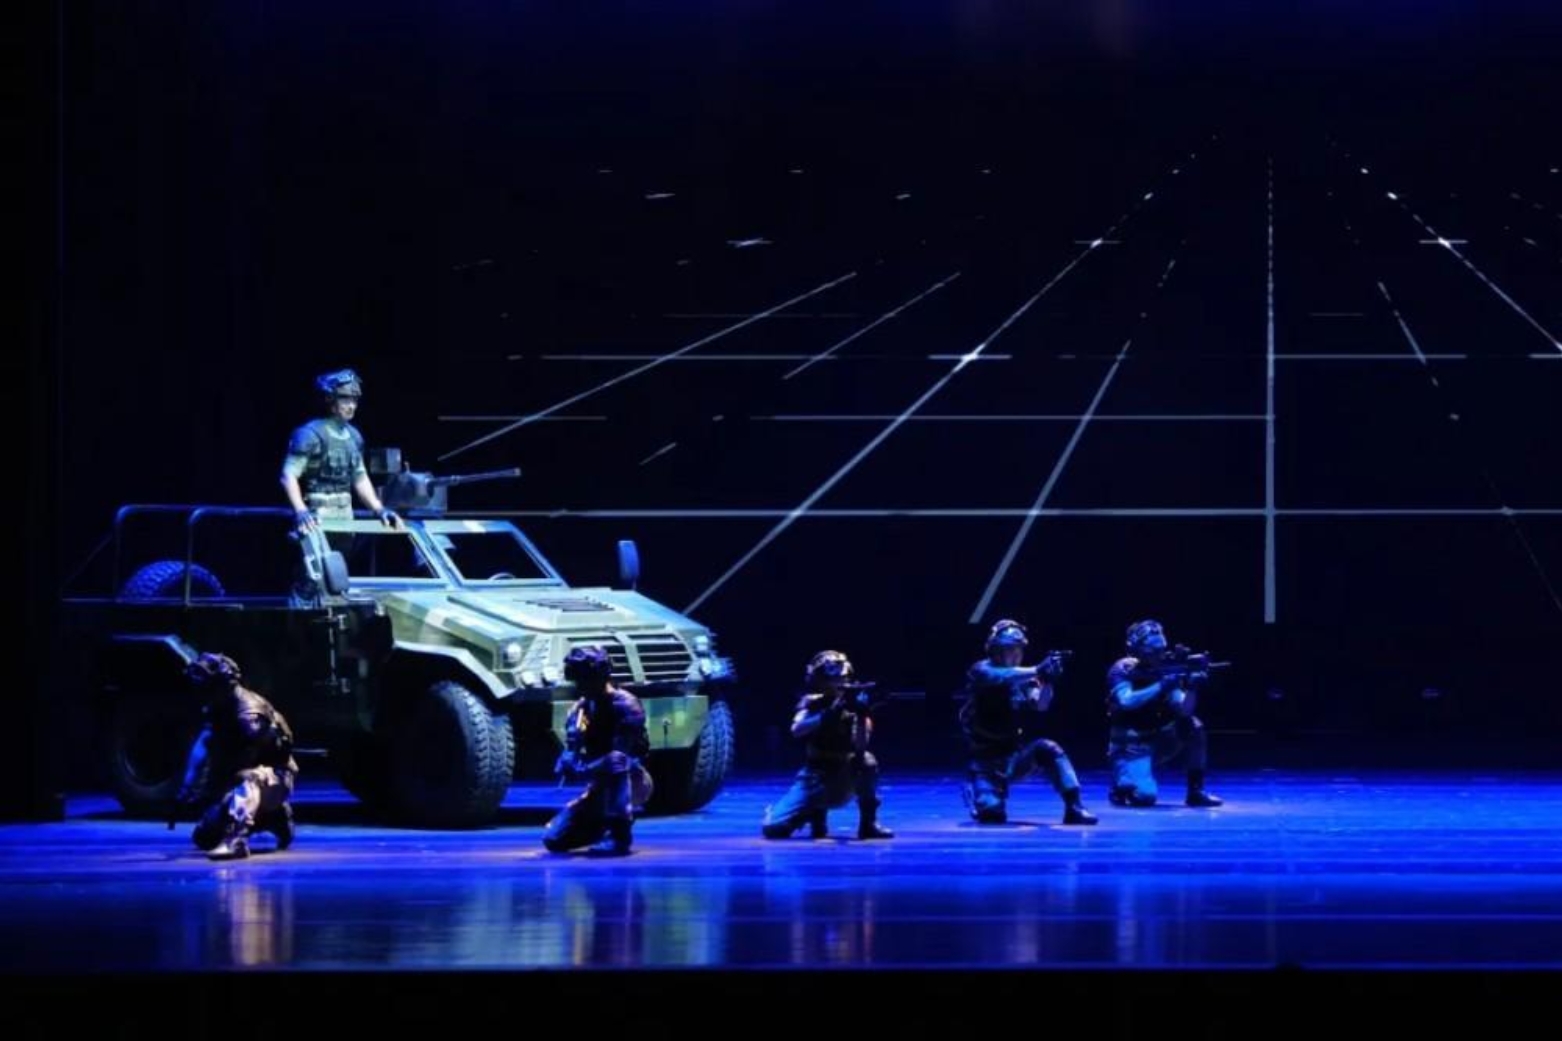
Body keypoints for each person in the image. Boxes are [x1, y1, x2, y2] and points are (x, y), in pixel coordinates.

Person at [280, 368, 402, 604]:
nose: (351, 405)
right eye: (345, 399)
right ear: (330, 399)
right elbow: (289, 475)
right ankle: (299, 620)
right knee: (310, 579)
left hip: (344, 519)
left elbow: (360, 478)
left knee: (337, 581)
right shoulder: (310, 434)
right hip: (317, 517)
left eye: (354, 399)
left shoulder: (353, 437)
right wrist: (301, 511)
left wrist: (379, 509)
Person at [960, 619, 1097, 826]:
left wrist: (1048, 681)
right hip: (984, 763)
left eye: (1019, 649)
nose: (1016, 654)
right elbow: (1002, 676)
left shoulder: (1023, 677)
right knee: (991, 814)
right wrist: (1038, 669)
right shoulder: (981, 670)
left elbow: (1041, 705)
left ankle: (1074, 807)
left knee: (1048, 748)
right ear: (995, 650)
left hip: (1013, 757)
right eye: (1009, 649)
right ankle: (976, 790)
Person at [173, 652, 298, 860]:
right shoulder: (218, 706)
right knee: (205, 836)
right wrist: (188, 787)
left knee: (246, 778)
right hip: (242, 773)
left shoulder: (248, 714)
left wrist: (222, 788)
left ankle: (237, 839)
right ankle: (273, 817)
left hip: (275, 775)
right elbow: (204, 742)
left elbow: (270, 753)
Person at [761, 650, 893, 841]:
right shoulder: (812, 703)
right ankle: (812, 814)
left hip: (844, 774)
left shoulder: (853, 706)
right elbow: (796, 729)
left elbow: (860, 745)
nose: (840, 682)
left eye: (843, 678)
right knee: (774, 828)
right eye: (832, 679)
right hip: (814, 776)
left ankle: (868, 824)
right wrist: (828, 714)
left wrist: (861, 715)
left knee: (867, 761)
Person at [543, 646, 653, 856]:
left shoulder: (626, 706)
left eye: (585, 679)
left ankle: (620, 834)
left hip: (632, 779)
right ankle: (601, 823)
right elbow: (574, 741)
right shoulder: (583, 707)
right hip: (598, 782)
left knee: (616, 761)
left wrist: (582, 770)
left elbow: (620, 756)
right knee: (554, 839)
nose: (581, 685)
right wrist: (568, 758)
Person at [1105, 619, 1223, 808]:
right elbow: (1126, 701)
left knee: (1193, 726)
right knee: (1145, 797)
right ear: (1137, 650)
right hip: (1130, 746)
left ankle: (1196, 791)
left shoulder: (1165, 669)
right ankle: (1123, 781)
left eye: (1161, 650)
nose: (1159, 655)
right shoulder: (1122, 669)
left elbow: (1183, 709)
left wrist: (1192, 688)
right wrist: (1161, 685)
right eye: (1153, 651)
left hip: (1159, 740)